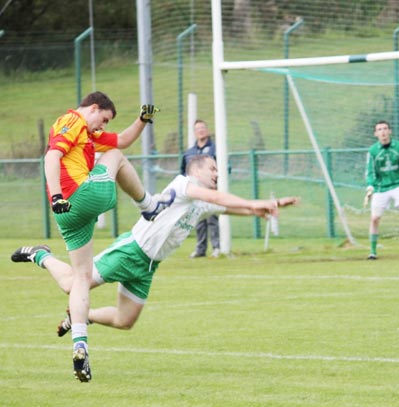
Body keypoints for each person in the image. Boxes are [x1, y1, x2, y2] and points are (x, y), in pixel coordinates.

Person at [11, 155, 298, 380]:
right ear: (196, 169)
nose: (217, 174)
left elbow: (233, 208)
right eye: (212, 169)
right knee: (72, 285)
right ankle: (40, 256)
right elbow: (219, 198)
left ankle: (83, 316)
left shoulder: (199, 201)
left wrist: (267, 208)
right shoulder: (184, 184)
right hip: (131, 250)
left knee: (125, 320)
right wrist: (261, 201)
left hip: (148, 266)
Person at [13, 91, 175, 382]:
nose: (102, 127)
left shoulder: (88, 135)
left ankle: (79, 342)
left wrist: (142, 120)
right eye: (103, 119)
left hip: (69, 216)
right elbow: (51, 156)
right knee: (114, 156)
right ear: (94, 108)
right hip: (79, 197)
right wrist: (58, 195)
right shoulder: (72, 120)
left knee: (80, 280)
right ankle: (148, 206)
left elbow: (122, 139)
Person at [364, 120, 399, 260]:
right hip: (381, 188)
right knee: (375, 218)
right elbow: (370, 172)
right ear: (375, 133)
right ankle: (372, 252)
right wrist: (370, 188)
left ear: (390, 131)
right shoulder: (372, 151)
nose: (383, 132)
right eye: (379, 129)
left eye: (385, 128)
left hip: (398, 185)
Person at [180, 119, 220, 258]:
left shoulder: (216, 148)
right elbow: (183, 172)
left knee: (212, 218)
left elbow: (224, 167)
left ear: (207, 130)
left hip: (211, 192)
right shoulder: (189, 153)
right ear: (194, 132)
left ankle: (217, 247)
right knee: (198, 219)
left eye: (203, 128)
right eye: (198, 129)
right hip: (196, 193)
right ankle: (200, 249)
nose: (201, 130)